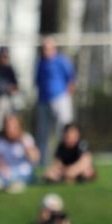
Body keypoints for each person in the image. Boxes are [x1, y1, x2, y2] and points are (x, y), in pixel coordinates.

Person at [34, 36, 76, 166]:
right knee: (43, 133)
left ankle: (65, 159)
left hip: (60, 99)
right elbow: (37, 82)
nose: (45, 51)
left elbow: (71, 80)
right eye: (43, 48)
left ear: (54, 48)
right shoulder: (40, 63)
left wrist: (66, 96)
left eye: (47, 48)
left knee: (63, 131)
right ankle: (43, 162)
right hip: (43, 101)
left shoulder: (62, 61)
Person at [0, 113, 38, 193]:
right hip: (4, 171)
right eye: (7, 126)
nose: (10, 129)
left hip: (21, 171)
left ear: (19, 127)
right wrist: (0, 165)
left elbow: (35, 159)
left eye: (13, 127)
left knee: (23, 173)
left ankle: (9, 184)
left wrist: (25, 145)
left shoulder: (26, 138)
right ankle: (1, 184)